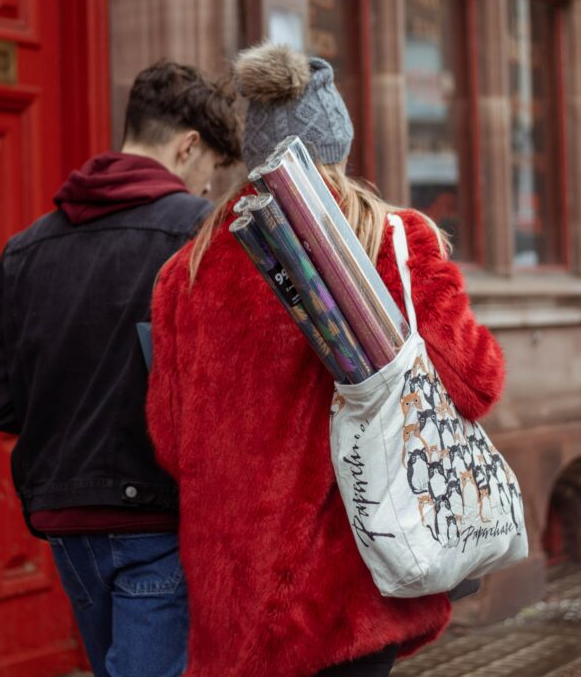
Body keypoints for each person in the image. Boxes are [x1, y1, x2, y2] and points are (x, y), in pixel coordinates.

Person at [146, 44, 505, 677]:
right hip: (347, 586)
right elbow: (475, 384)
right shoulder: (390, 239)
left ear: (256, 152)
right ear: (338, 142)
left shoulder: (188, 269)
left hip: (233, 588)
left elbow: (171, 442)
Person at [0, 60, 241, 677]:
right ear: (188, 146)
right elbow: (234, 388)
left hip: (66, 521)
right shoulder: (197, 234)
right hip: (158, 517)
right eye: (209, 175)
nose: (206, 190)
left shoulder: (26, 247)